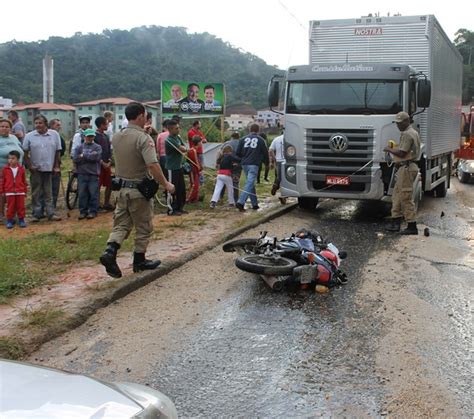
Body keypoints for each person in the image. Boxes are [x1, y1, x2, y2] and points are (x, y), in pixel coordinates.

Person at [100, 102, 175, 278]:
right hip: (138, 191)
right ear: (141, 116)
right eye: (146, 116)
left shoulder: (117, 137)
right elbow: (152, 165)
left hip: (121, 190)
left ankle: (110, 251)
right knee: (144, 226)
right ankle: (139, 260)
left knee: (121, 224)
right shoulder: (144, 139)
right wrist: (166, 184)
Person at [383, 111, 421, 235]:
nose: (398, 125)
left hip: (407, 168)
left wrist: (389, 149)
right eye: (397, 123)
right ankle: (395, 223)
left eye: (400, 123)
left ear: (407, 121)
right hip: (406, 167)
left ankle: (412, 225)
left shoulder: (407, 134)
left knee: (405, 196)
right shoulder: (413, 132)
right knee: (397, 195)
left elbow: (402, 153)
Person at [22, 114, 62, 222]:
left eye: (40, 123)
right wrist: (30, 166)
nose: (38, 125)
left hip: (49, 168)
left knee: (48, 192)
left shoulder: (54, 134)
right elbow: (25, 152)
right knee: (36, 192)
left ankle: (50, 213)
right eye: (36, 123)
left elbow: (58, 151)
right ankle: (37, 213)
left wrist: (56, 166)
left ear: (45, 124)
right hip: (36, 169)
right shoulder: (29, 136)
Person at [235, 124, 269, 212]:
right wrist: (267, 163)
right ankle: (241, 202)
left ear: (250, 130)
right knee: (250, 182)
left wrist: (243, 157)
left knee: (250, 183)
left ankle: (254, 204)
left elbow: (238, 152)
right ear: (258, 130)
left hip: (245, 164)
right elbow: (265, 153)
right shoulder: (261, 140)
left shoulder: (242, 139)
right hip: (254, 164)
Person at [73, 128, 102, 220]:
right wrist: (89, 156)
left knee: (93, 193)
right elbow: (76, 159)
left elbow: (96, 158)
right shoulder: (78, 147)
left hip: (93, 174)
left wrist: (83, 155)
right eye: (88, 136)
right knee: (82, 194)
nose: (90, 138)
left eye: (92, 136)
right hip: (82, 174)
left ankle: (93, 211)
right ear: (84, 136)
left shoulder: (98, 147)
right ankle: (83, 211)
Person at [0, 119, 24, 222]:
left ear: (10, 128)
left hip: (16, 172)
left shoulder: (14, 137)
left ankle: (12, 215)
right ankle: (1, 215)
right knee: (2, 194)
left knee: (14, 194)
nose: (4, 128)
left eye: (7, 127)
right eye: (2, 126)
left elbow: (20, 151)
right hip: (2, 171)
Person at [165, 119, 187, 215]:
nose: (178, 130)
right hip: (172, 168)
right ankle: (171, 209)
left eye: (178, 128)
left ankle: (179, 207)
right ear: (170, 129)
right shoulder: (169, 140)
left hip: (179, 167)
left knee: (181, 189)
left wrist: (184, 148)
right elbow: (182, 149)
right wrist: (183, 148)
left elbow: (184, 147)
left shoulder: (178, 137)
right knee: (172, 189)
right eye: (176, 128)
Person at [2, 150, 27, 229]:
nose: (10, 160)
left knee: (21, 206)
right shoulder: (5, 169)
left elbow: (24, 180)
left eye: (13, 158)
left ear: (18, 159)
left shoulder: (21, 169)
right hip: (9, 191)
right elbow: (2, 181)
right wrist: (2, 191)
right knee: (10, 207)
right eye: (9, 158)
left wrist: (25, 190)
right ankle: (9, 220)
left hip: (20, 191)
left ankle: (21, 219)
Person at [94, 116, 114, 211]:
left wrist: (109, 161)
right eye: (106, 124)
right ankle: (96, 203)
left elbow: (109, 150)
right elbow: (94, 151)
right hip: (98, 165)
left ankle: (106, 202)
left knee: (109, 184)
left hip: (107, 164)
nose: (107, 125)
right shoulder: (94, 136)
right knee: (97, 185)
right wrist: (102, 162)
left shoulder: (106, 136)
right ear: (101, 125)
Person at [48, 119, 66, 209]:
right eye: (57, 125)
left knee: (55, 188)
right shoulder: (47, 136)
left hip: (56, 164)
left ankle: (53, 207)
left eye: (60, 125)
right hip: (46, 165)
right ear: (51, 125)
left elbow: (62, 150)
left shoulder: (59, 137)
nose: (59, 127)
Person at [219, 132, 242, 203]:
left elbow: (220, 152)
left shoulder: (227, 143)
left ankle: (221, 197)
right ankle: (236, 199)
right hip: (237, 165)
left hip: (226, 166)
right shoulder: (241, 143)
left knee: (223, 182)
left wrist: (219, 162)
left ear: (231, 137)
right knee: (235, 182)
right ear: (239, 137)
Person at [269, 132, 286, 204]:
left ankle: (276, 185)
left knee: (279, 176)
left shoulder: (276, 139)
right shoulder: (291, 139)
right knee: (286, 180)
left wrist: (273, 159)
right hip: (289, 161)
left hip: (278, 160)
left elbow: (270, 150)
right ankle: (284, 196)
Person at [186, 136, 202, 203]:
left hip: (195, 170)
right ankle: (188, 199)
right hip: (193, 170)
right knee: (193, 184)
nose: (201, 143)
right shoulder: (193, 151)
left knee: (196, 184)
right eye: (200, 142)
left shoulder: (193, 150)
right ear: (198, 143)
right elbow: (196, 162)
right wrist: (199, 168)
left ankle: (194, 199)